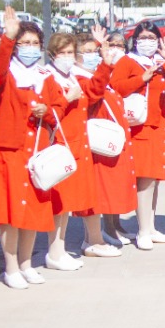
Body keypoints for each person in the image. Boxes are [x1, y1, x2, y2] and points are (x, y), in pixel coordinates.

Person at [0, 7, 68, 289]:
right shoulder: (6, 73)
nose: (31, 48)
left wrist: (48, 110)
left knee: (32, 211)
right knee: (11, 214)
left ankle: (26, 263)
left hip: (36, 153)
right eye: (25, 43)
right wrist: (7, 39)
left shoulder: (46, 76)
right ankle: (10, 268)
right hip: (8, 152)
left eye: (35, 43)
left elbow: (60, 106)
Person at [44, 30, 109, 270]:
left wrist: (106, 64)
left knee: (67, 202)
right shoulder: (48, 78)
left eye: (71, 52)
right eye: (62, 53)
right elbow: (49, 115)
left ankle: (59, 250)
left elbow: (94, 90)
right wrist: (67, 99)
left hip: (76, 145)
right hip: (58, 145)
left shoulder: (72, 76)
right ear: (52, 54)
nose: (67, 57)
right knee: (58, 204)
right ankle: (55, 251)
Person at [111, 23, 165, 250]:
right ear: (135, 40)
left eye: (152, 37)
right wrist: (142, 78)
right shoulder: (128, 61)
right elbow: (115, 88)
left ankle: (150, 226)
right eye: (143, 37)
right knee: (145, 179)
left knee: (154, 180)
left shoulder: (160, 61)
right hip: (141, 127)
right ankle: (142, 230)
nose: (147, 41)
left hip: (161, 125)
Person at [90, 34, 140, 250]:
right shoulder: (95, 74)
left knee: (116, 184)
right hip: (103, 137)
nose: (116, 49)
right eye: (112, 45)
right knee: (107, 186)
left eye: (120, 45)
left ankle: (116, 225)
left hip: (116, 136)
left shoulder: (114, 71)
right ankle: (107, 229)